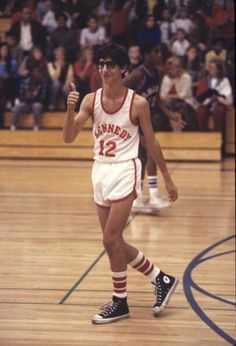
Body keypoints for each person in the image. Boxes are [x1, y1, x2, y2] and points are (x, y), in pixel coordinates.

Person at [63, 43, 178, 324]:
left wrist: (167, 178)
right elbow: (68, 137)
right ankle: (160, 277)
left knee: (110, 239)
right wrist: (70, 108)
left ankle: (120, 302)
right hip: (100, 171)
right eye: (101, 64)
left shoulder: (137, 103)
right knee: (113, 242)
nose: (104, 70)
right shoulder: (90, 100)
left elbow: (151, 142)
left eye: (110, 65)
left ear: (123, 69)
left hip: (126, 169)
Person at [123, 43, 185, 211]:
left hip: (147, 120)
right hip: (133, 121)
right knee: (152, 152)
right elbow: (118, 89)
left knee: (142, 158)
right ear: (146, 55)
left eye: (159, 52)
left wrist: (171, 115)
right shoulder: (138, 74)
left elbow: (156, 99)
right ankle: (154, 194)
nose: (159, 55)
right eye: (155, 51)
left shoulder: (156, 73)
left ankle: (136, 198)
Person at [11, 66, 47, 130]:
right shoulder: (25, 82)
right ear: (32, 73)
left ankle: (36, 125)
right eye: (35, 72)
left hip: (36, 103)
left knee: (37, 106)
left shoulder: (42, 83)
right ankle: (13, 125)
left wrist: (32, 97)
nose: (37, 74)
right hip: (26, 103)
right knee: (18, 106)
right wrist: (29, 97)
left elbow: (43, 98)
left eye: (38, 72)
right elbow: (20, 96)